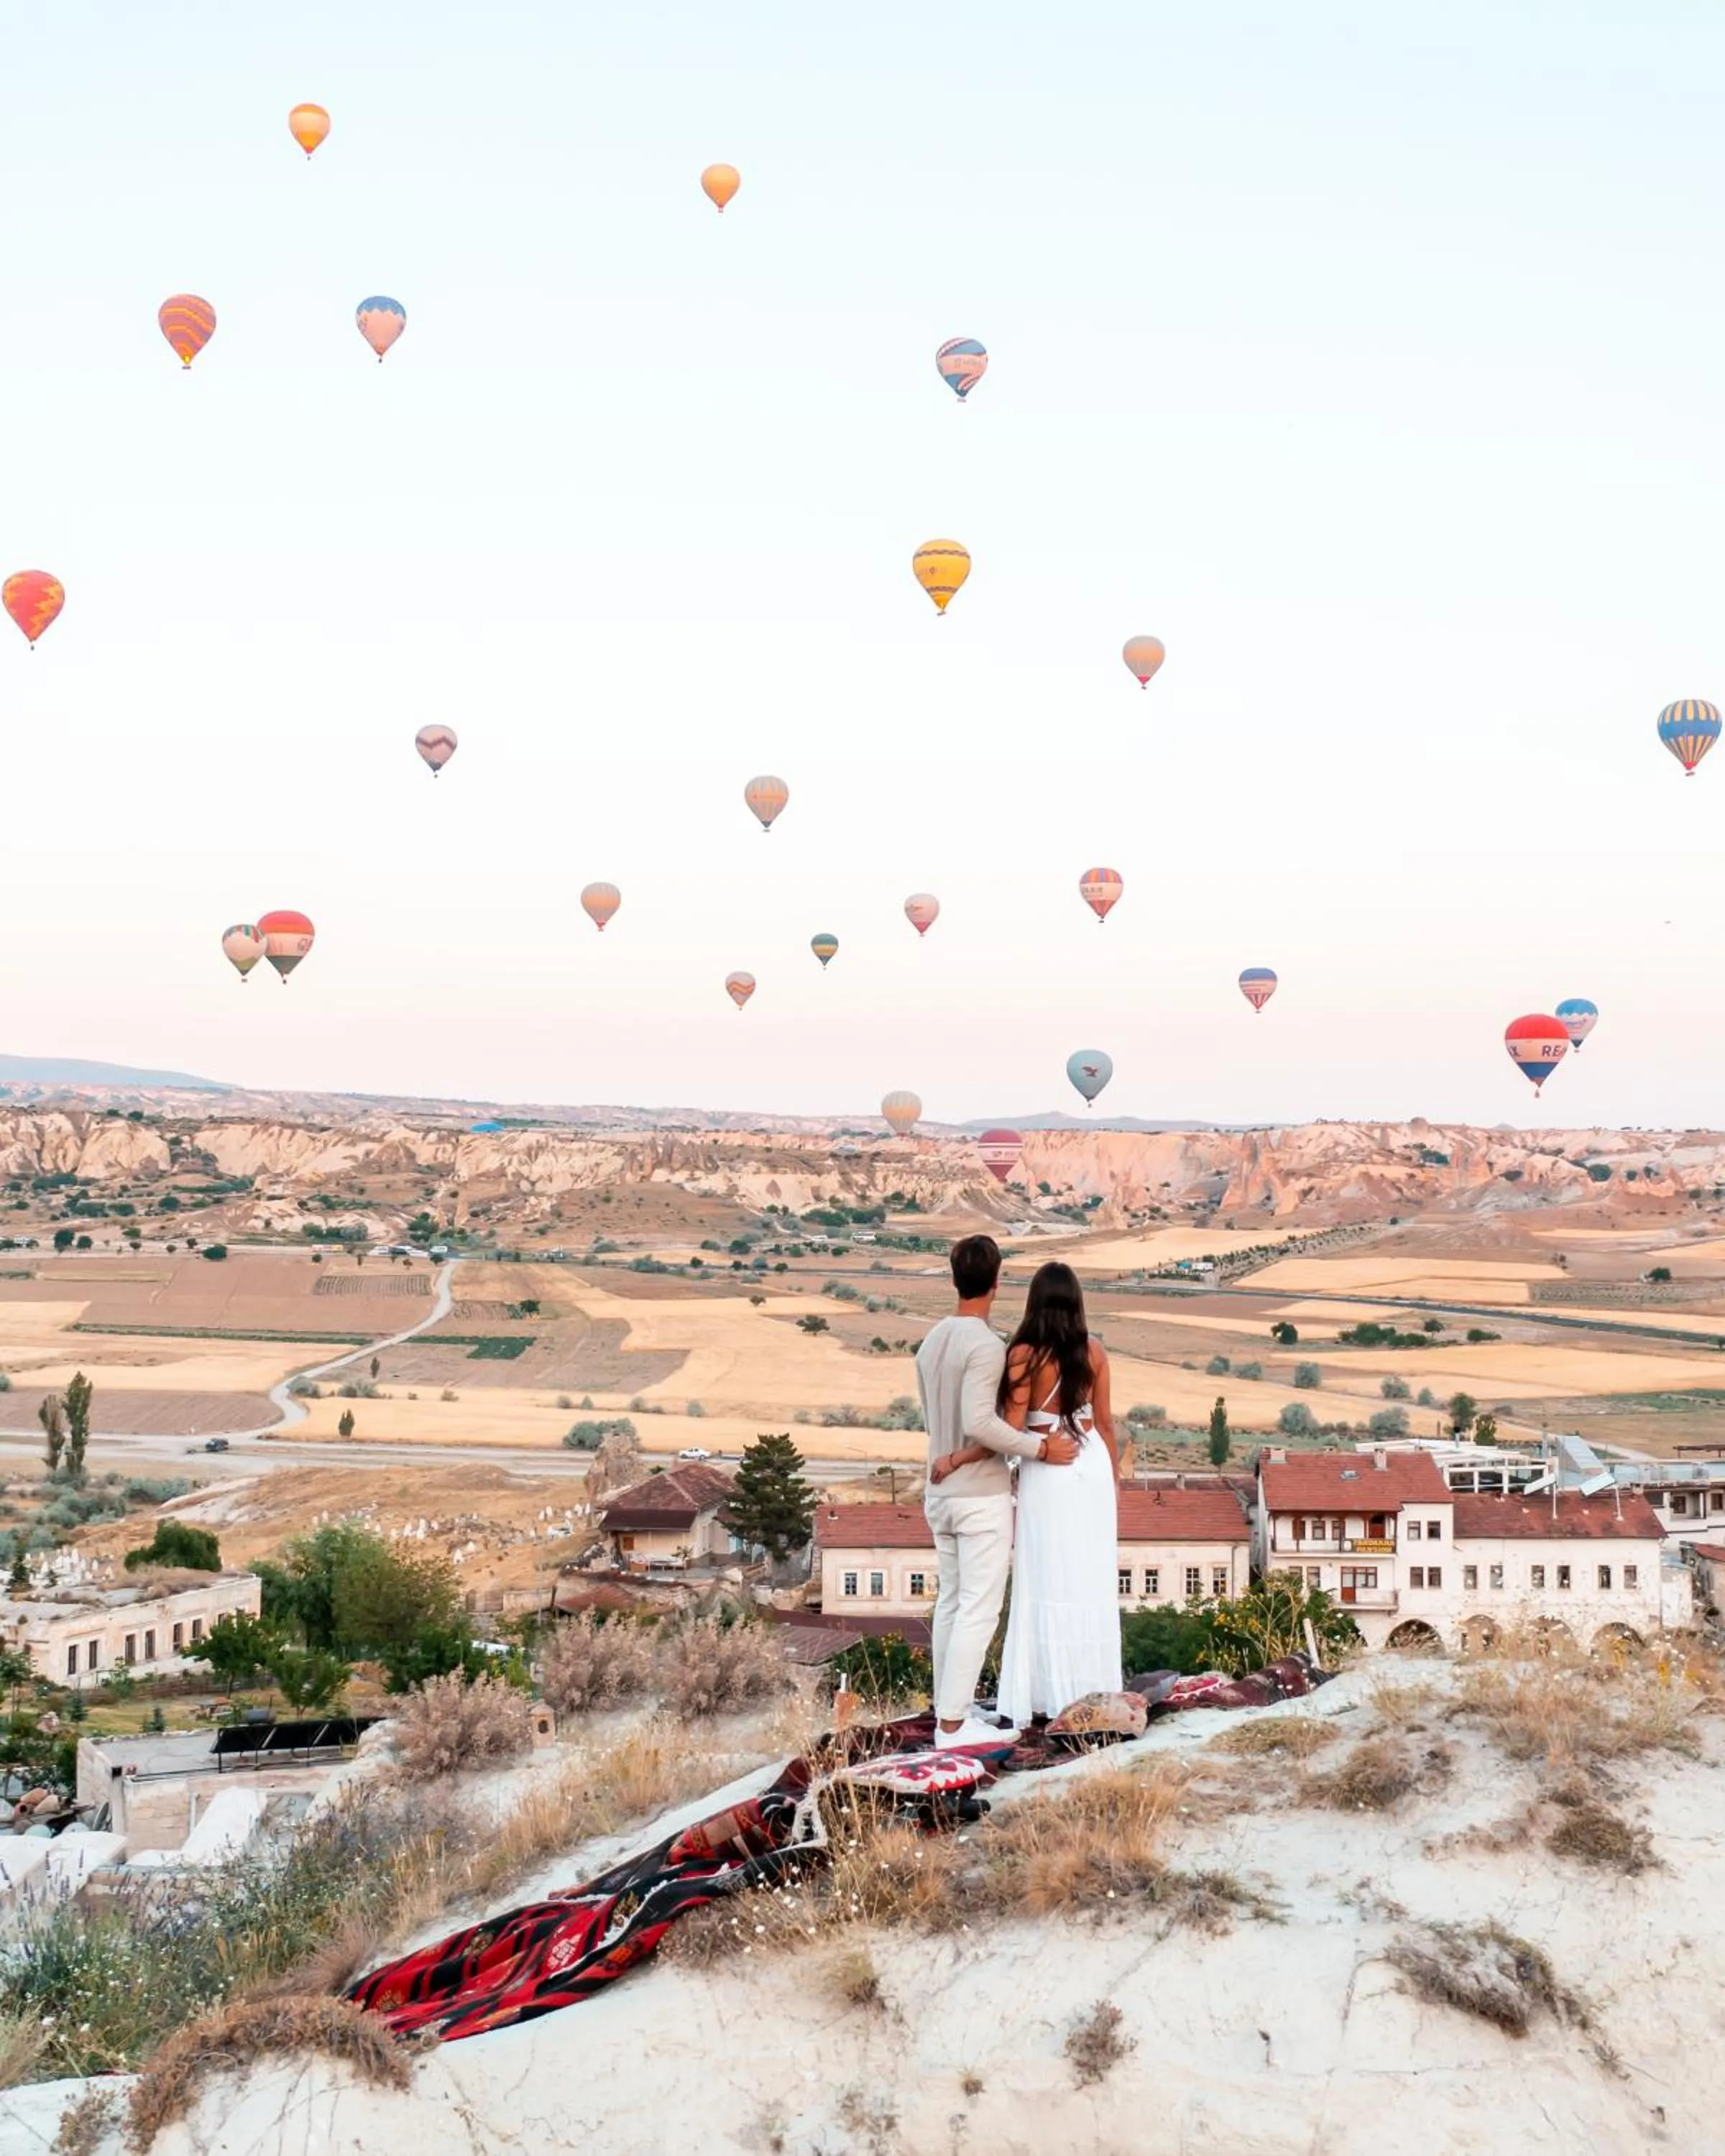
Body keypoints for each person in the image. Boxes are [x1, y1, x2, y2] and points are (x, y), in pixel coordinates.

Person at [916, 1235, 1077, 1747]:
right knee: (979, 1610)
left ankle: (950, 1709)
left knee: (951, 1603)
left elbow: (939, 1418)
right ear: (997, 1280)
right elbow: (982, 1424)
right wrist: (1039, 1449)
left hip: (937, 1487)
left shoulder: (932, 1340)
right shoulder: (985, 1346)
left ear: (954, 1277)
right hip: (977, 1494)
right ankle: (953, 1725)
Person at [991, 1260, 1124, 1724]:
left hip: (1047, 1464)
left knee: (1044, 1573)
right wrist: (1113, 1481)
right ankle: (1093, 1689)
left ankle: (1043, 1694)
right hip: (1091, 1465)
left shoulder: (1024, 1356)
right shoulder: (1096, 1351)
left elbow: (1011, 1428)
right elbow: (1105, 1423)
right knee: (1089, 1577)